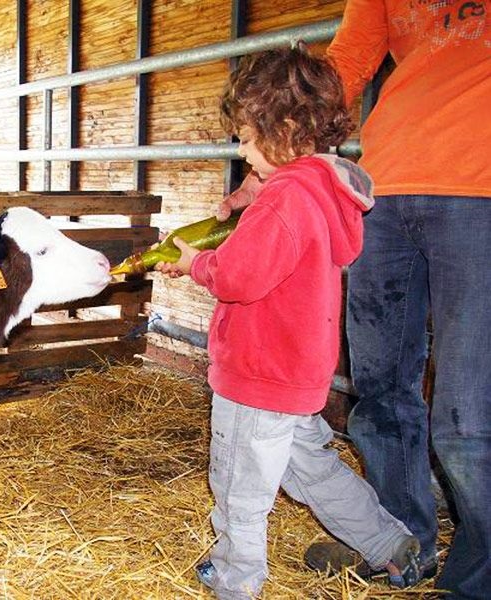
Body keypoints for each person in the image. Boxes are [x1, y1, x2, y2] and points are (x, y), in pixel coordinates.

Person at [219, 4, 491, 598]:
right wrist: (275, 154)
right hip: (386, 186)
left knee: (470, 415)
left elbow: (236, 278)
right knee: (382, 388)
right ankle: (397, 541)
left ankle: (477, 579)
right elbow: (344, 66)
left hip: (481, 187)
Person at [157, 45, 423, 599]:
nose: (242, 149)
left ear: (283, 130)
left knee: (239, 487)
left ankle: (235, 580)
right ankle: (390, 545)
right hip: (296, 377)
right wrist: (255, 200)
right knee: (311, 471)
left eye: (248, 137)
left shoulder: (286, 198)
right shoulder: (319, 187)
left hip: (259, 373)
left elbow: (239, 277)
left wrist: (194, 262)